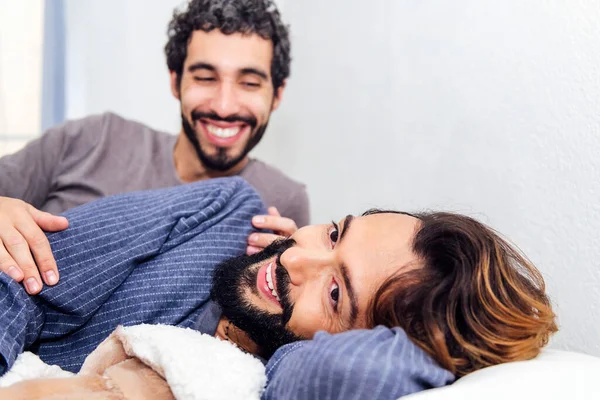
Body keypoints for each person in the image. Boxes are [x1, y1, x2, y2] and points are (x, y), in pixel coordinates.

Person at [0, 177, 557, 399]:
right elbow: (19, 277)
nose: (298, 254)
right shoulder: (227, 212)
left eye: (336, 292)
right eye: (335, 232)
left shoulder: (285, 371)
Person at [0, 0, 308, 296]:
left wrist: (291, 283)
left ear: (277, 94)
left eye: (250, 83)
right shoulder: (91, 139)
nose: (224, 106)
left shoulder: (283, 202)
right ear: (175, 82)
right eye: (204, 77)